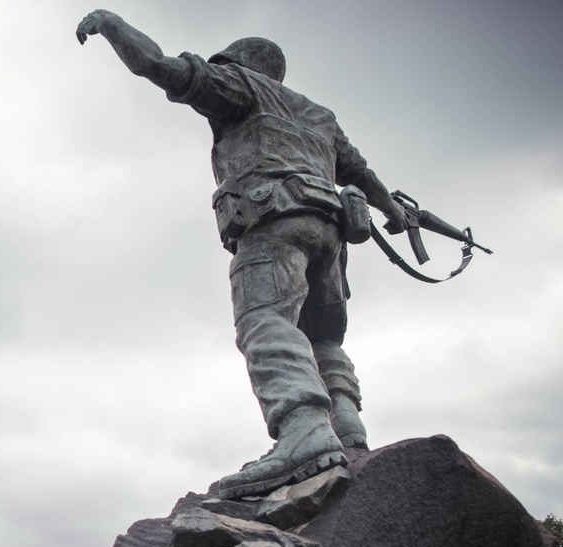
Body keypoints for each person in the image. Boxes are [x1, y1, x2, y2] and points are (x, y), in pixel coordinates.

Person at [76, 10, 409, 499]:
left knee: (264, 320)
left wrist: (109, 23)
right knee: (324, 339)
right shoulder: (320, 115)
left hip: (273, 223)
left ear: (242, 63)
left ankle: (303, 430)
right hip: (328, 234)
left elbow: (159, 66)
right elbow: (359, 172)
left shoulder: (242, 86)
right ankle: (346, 424)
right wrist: (393, 211)